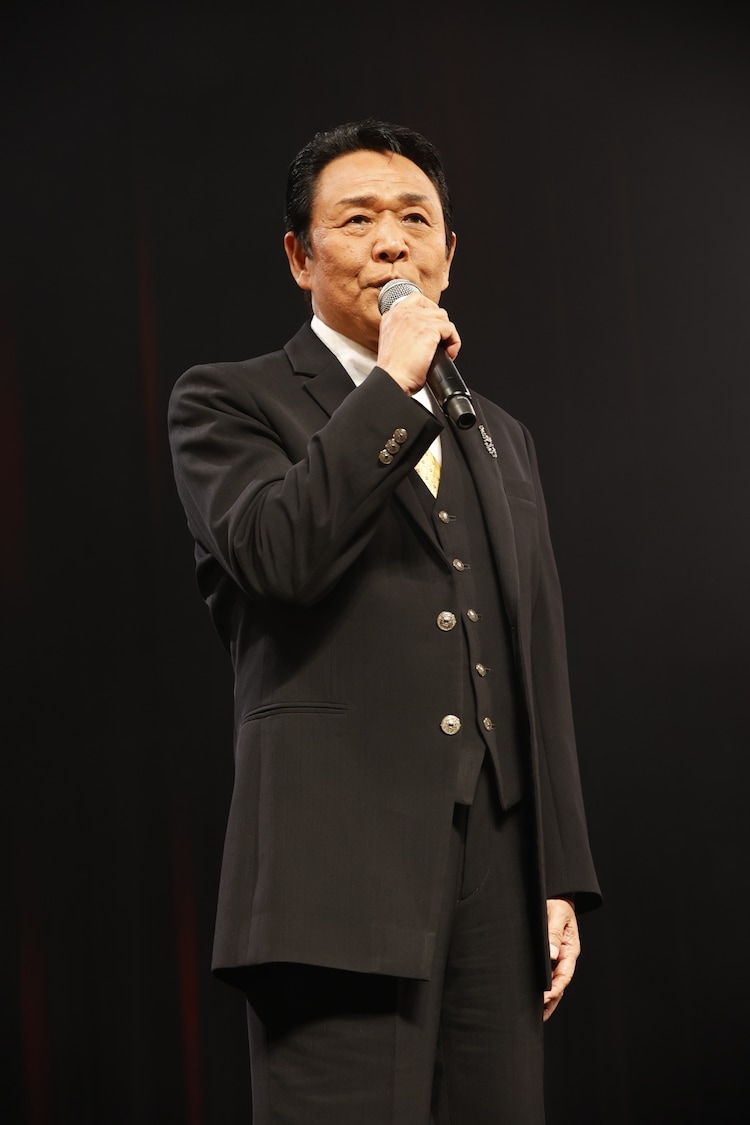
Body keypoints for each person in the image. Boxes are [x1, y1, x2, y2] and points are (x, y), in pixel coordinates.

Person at [167, 118, 602, 1124]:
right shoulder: (228, 402)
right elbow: (278, 553)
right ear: (299, 255)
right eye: (357, 220)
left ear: (449, 253)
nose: (392, 242)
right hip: (332, 873)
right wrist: (395, 386)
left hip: (497, 879)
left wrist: (559, 873)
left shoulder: (499, 433)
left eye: (415, 218)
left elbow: (534, 650)